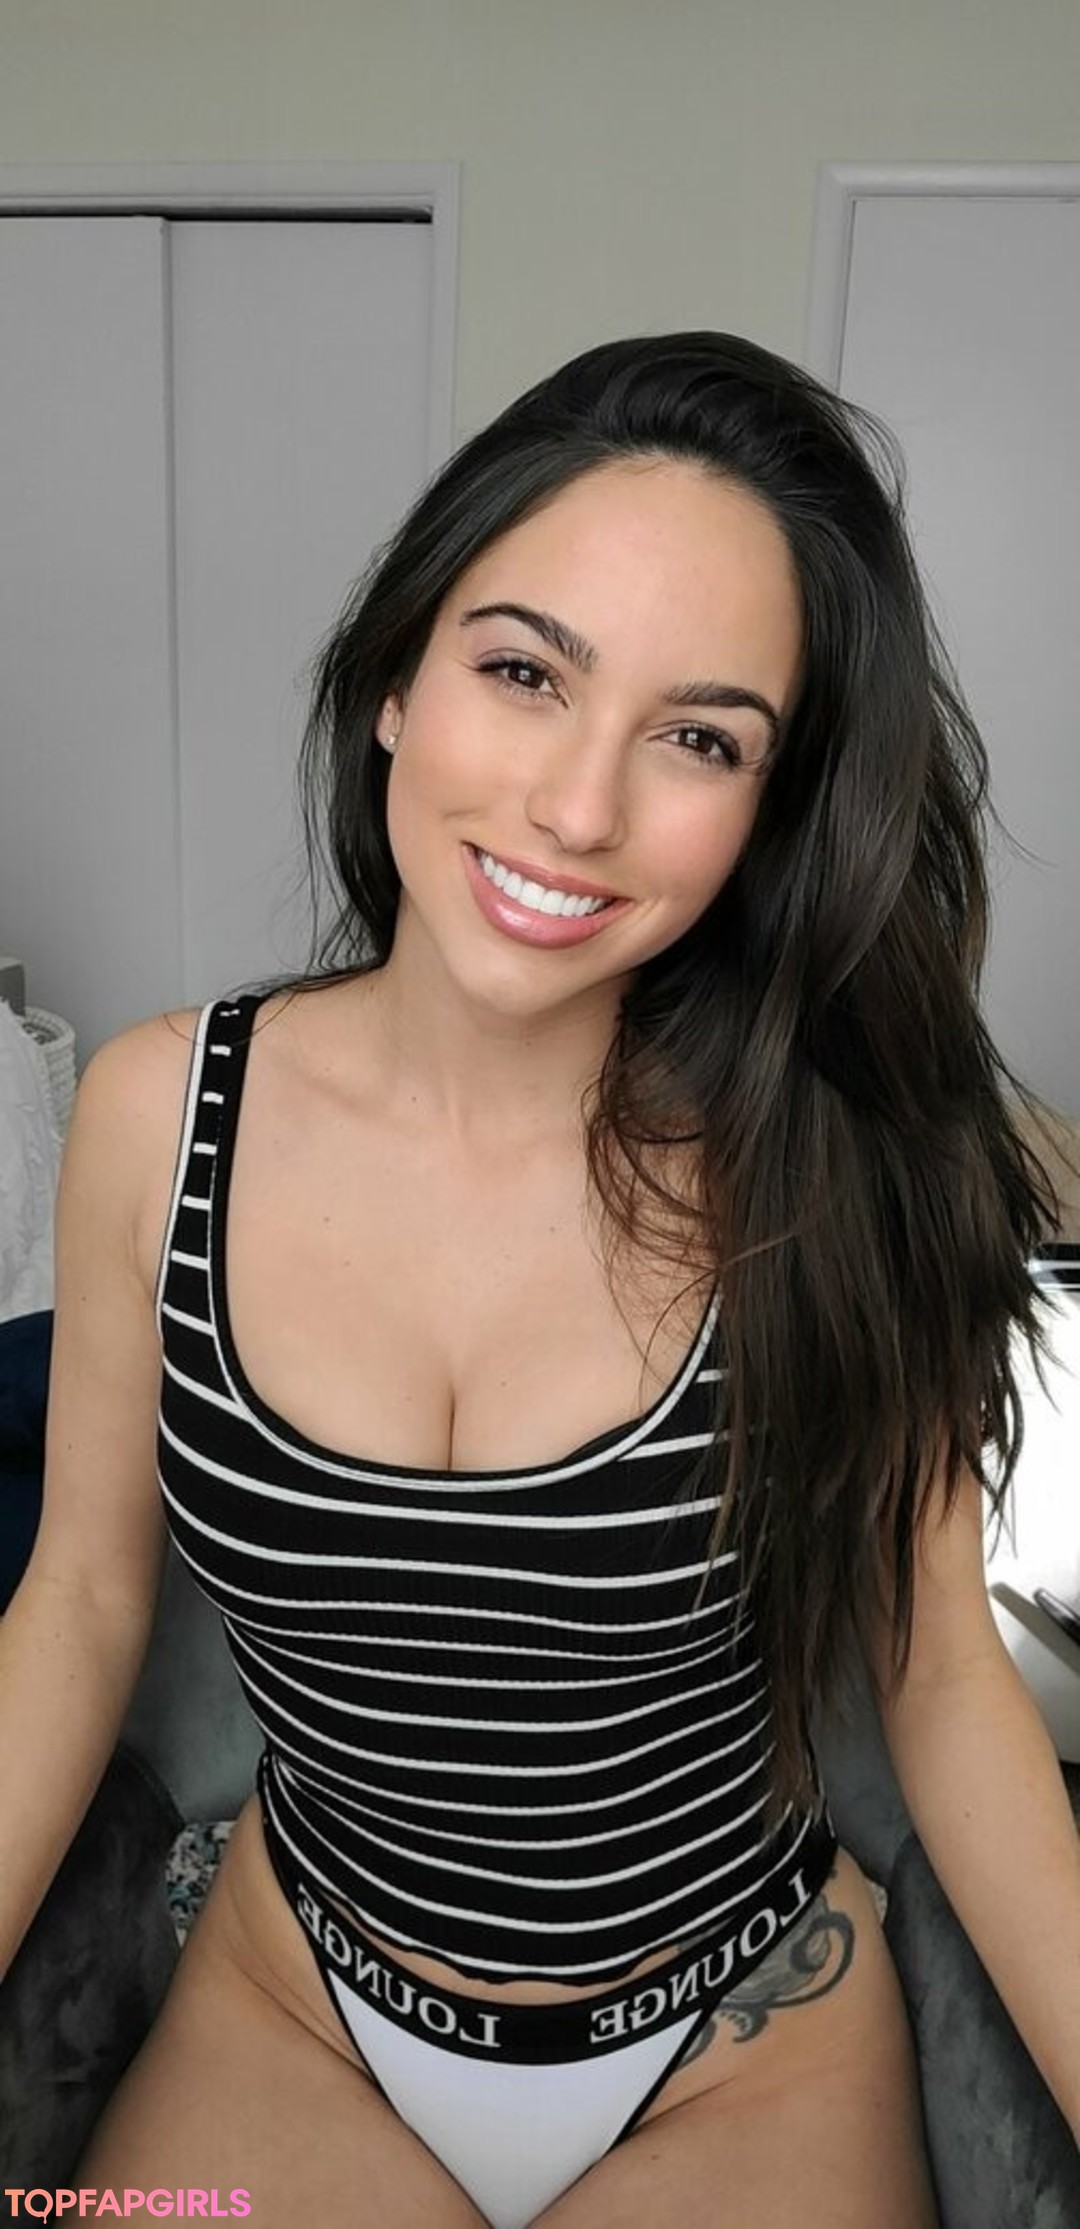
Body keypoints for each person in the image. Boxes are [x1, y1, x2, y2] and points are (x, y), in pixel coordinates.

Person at [1, 330, 1078, 2228]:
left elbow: (935, 1670)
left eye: (700, 737)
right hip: (301, 2010)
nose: (580, 809)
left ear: (770, 808)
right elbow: (82, 1599)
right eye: (524, 671)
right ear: (396, 682)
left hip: (740, 2036)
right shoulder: (157, 1114)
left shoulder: (830, 1162)